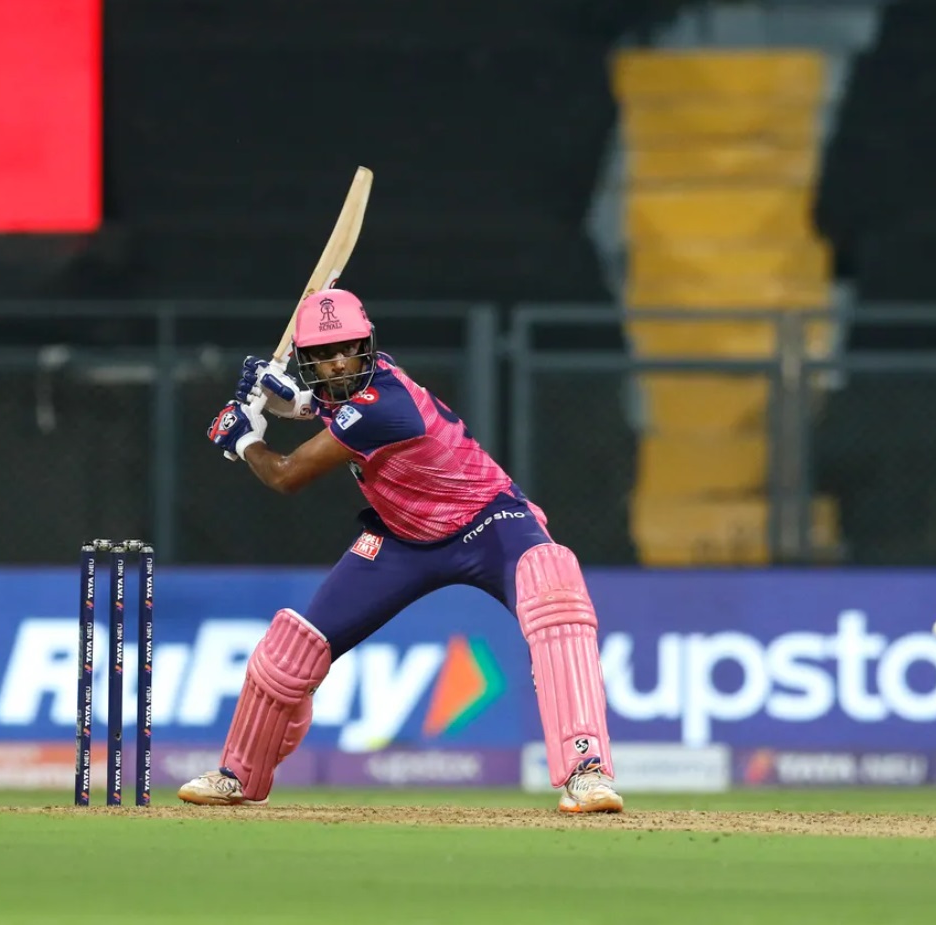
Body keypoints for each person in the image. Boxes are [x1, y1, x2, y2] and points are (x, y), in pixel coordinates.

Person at [183, 289, 622, 813]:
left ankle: (586, 771)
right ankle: (238, 775)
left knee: (555, 592)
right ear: (307, 360)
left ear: (368, 345)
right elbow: (336, 404)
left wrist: (246, 440)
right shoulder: (356, 391)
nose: (338, 362)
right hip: (402, 537)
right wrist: (296, 403)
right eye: (322, 355)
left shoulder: (384, 404)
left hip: (489, 520)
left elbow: (286, 475)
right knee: (290, 649)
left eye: (347, 348)